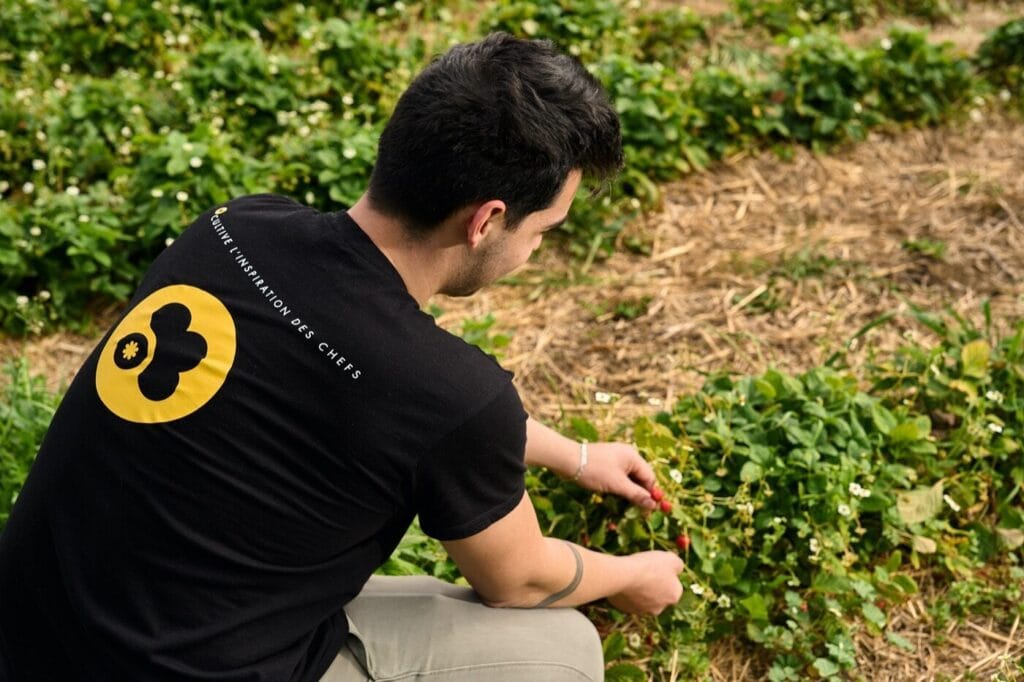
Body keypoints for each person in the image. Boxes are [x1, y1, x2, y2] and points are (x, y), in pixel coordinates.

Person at [0, 32, 684, 681]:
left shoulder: (234, 228)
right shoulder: (448, 391)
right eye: (544, 231)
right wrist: (633, 575)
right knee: (561, 650)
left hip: (29, 629)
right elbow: (519, 578)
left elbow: (382, 400)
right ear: (486, 221)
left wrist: (576, 456)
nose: (536, 250)